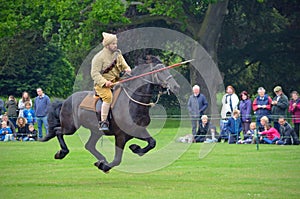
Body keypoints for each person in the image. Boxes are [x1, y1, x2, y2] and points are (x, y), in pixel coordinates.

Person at [91, 32, 131, 131]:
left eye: (115, 43)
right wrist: (105, 82)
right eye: (113, 44)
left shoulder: (118, 54)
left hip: (116, 82)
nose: (115, 45)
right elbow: (94, 73)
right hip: (102, 85)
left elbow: (124, 65)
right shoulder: (98, 57)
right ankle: (103, 122)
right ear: (107, 45)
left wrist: (127, 69)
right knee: (108, 97)